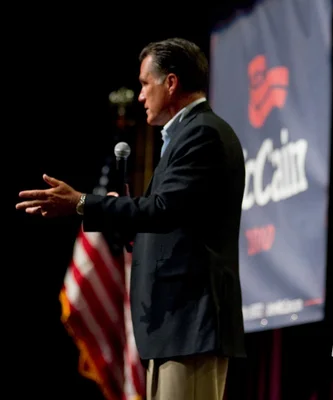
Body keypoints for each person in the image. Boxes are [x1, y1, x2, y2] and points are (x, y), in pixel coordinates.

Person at [16, 37, 246, 400]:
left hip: (190, 325)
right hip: (172, 329)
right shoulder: (186, 135)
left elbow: (163, 210)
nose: (140, 96)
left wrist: (82, 203)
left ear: (170, 83)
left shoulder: (202, 133)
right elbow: (174, 223)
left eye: (144, 83)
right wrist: (121, 218)